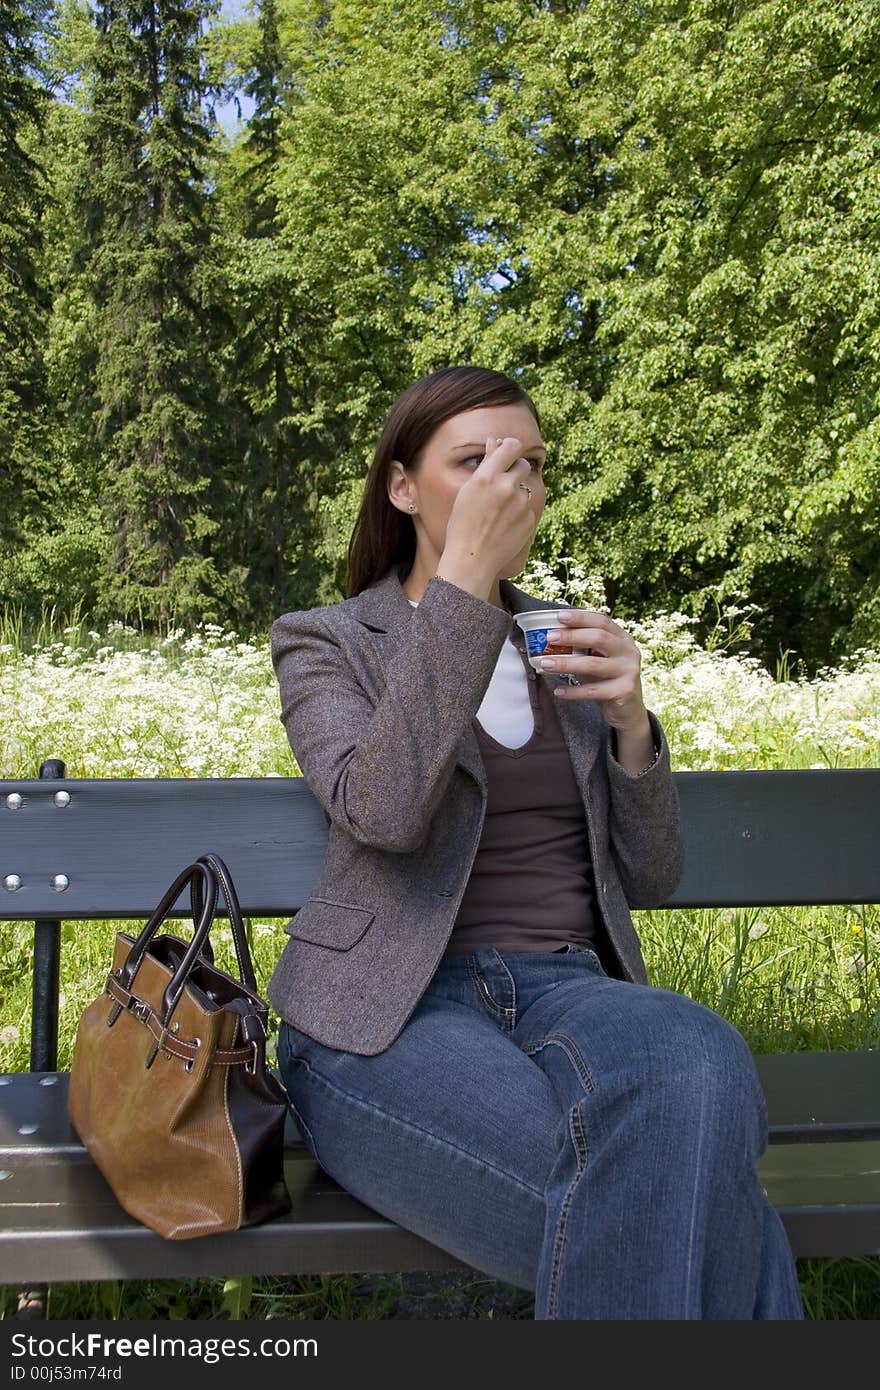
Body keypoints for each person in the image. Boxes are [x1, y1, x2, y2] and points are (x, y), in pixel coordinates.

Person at [267, 365, 805, 1320]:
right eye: (473, 462)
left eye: (525, 465)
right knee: (678, 1204)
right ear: (402, 488)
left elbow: (652, 874)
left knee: (702, 1058)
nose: (504, 486)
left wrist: (634, 724)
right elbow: (384, 812)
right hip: (388, 1013)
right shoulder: (328, 640)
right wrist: (466, 589)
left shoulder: (558, 646)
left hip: (568, 985)